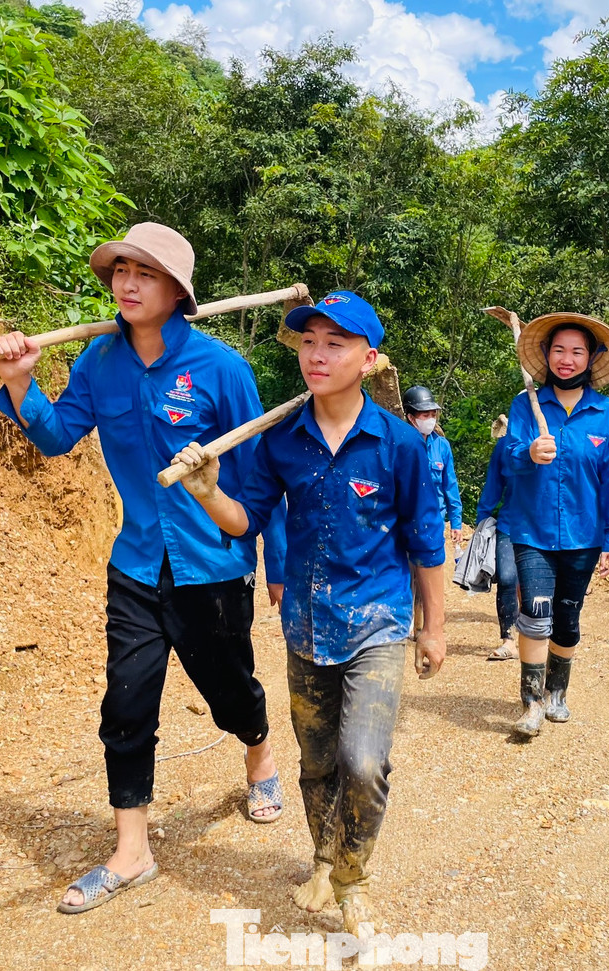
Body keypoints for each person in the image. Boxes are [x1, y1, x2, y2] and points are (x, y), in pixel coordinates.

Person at [0, 222, 284, 914]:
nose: (126, 282)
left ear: (176, 290)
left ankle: (260, 752)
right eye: (120, 269)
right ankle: (132, 849)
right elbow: (58, 438)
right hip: (137, 564)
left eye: (144, 272)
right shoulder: (98, 362)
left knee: (230, 691)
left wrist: (277, 564)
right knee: (126, 703)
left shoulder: (222, 369)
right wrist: (21, 382)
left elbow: (261, 481)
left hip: (213, 567)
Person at [171, 291, 447, 936]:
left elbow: (428, 542)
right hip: (306, 625)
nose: (317, 354)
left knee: (365, 761)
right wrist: (209, 491)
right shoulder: (281, 443)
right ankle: (322, 858)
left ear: (369, 358)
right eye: (308, 342)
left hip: (377, 621)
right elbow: (248, 521)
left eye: (335, 343)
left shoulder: (400, 445)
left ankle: (353, 878)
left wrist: (433, 628)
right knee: (318, 762)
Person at [499, 312, 609, 738]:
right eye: (559, 350)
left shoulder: (607, 415)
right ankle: (532, 702)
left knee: (567, 618)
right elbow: (507, 457)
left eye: (577, 351)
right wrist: (528, 453)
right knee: (535, 613)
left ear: (591, 358)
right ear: (546, 354)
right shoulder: (526, 404)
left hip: (584, 535)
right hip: (532, 529)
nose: (567, 359)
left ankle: (558, 691)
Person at [403, 385, 461, 634]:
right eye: (423, 415)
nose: (429, 419)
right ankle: (405, 624)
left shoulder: (442, 447)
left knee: (427, 576)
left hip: (434, 522)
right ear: (410, 417)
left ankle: (425, 626)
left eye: (431, 414)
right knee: (406, 576)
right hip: (404, 522)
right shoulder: (401, 444)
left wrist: (456, 523)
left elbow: (451, 487)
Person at [477, 414, 519, 660]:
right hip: (511, 523)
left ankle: (538, 636)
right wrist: (483, 520)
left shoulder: (554, 441)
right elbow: (493, 483)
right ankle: (509, 639)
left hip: (545, 528)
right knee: (506, 578)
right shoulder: (505, 446)